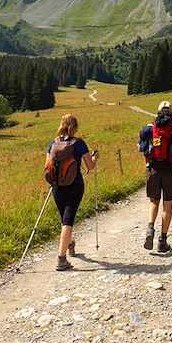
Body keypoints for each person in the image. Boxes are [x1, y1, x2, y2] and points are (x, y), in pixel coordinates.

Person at [46, 114, 97, 271]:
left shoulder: (52, 144)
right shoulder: (79, 144)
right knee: (68, 220)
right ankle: (61, 259)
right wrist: (95, 157)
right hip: (75, 185)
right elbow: (90, 166)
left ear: (61, 125)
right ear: (74, 127)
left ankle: (70, 243)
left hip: (56, 187)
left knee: (64, 218)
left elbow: (48, 165)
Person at [139, 101, 172, 252]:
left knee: (154, 202)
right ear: (171, 113)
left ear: (158, 112)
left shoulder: (149, 128)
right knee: (168, 205)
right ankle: (162, 241)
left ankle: (150, 228)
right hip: (170, 171)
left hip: (152, 169)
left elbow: (141, 149)